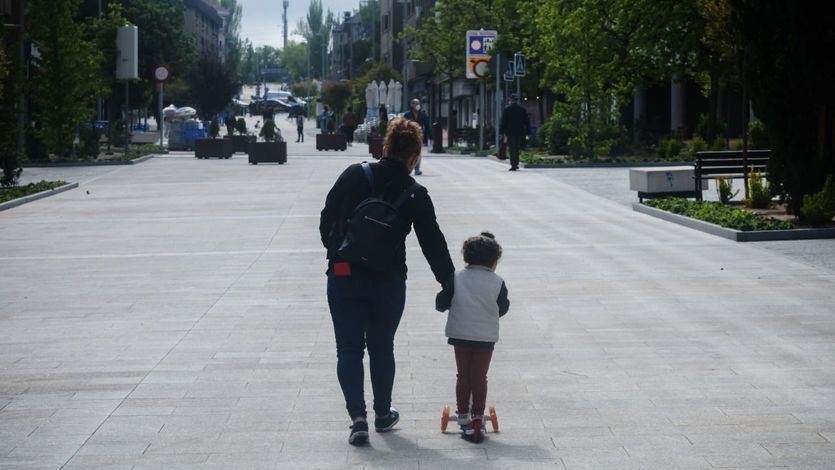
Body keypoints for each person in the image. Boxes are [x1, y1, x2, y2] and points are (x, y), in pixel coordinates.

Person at [319, 118, 455, 446]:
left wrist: (341, 253)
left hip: (344, 275)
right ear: (414, 156)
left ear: (385, 146)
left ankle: (357, 419)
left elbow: (325, 221)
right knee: (382, 347)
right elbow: (432, 241)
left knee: (349, 348)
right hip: (388, 279)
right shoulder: (415, 193)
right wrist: (448, 281)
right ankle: (382, 412)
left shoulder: (354, 174)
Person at [435, 232, 509, 443]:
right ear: (494, 260)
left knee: (463, 375)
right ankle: (478, 414)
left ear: (466, 256)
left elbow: (442, 303)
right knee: (480, 376)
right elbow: (503, 308)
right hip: (485, 338)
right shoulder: (498, 282)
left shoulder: (456, 277)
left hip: (460, 335)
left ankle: (463, 415)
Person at [499, 94, 531, 171]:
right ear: (516, 100)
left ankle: (513, 164)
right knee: (517, 148)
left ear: (510, 100)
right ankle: (516, 163)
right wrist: (528, 132)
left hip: (509, 132)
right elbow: (526, 121)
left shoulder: (507, 109)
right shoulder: (522, 109)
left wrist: (501, 132)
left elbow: (503, 122)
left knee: (511, 148)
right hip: (520, 132)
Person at [405, 98, 429, 175]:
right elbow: (404, 125)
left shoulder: (422, 115)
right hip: (409, 136)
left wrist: (430, 137)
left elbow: (427, 126)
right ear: (412, 105)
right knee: (409, 153)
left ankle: (417, 169)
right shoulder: (407, 115)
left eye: (418, 103)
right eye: (416, 103)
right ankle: (408, 167)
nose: (418, 105)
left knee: (418, 153)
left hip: (419, 137)